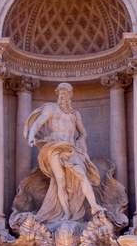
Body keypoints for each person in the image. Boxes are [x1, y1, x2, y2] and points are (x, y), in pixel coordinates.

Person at [24, 82, 104, 223]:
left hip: (71, 148)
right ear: (57, 94)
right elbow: (38, 123)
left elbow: (83, 133)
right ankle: (66, 214)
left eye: (66, 93)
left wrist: (81, 143)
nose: (63, 95)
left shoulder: (74, 114)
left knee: (82, 175)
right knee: (60, 181)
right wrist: (31, 136)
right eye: (61, 93)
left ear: (70, 95)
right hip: (54, 147)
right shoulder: (51, 109)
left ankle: (94, 206)